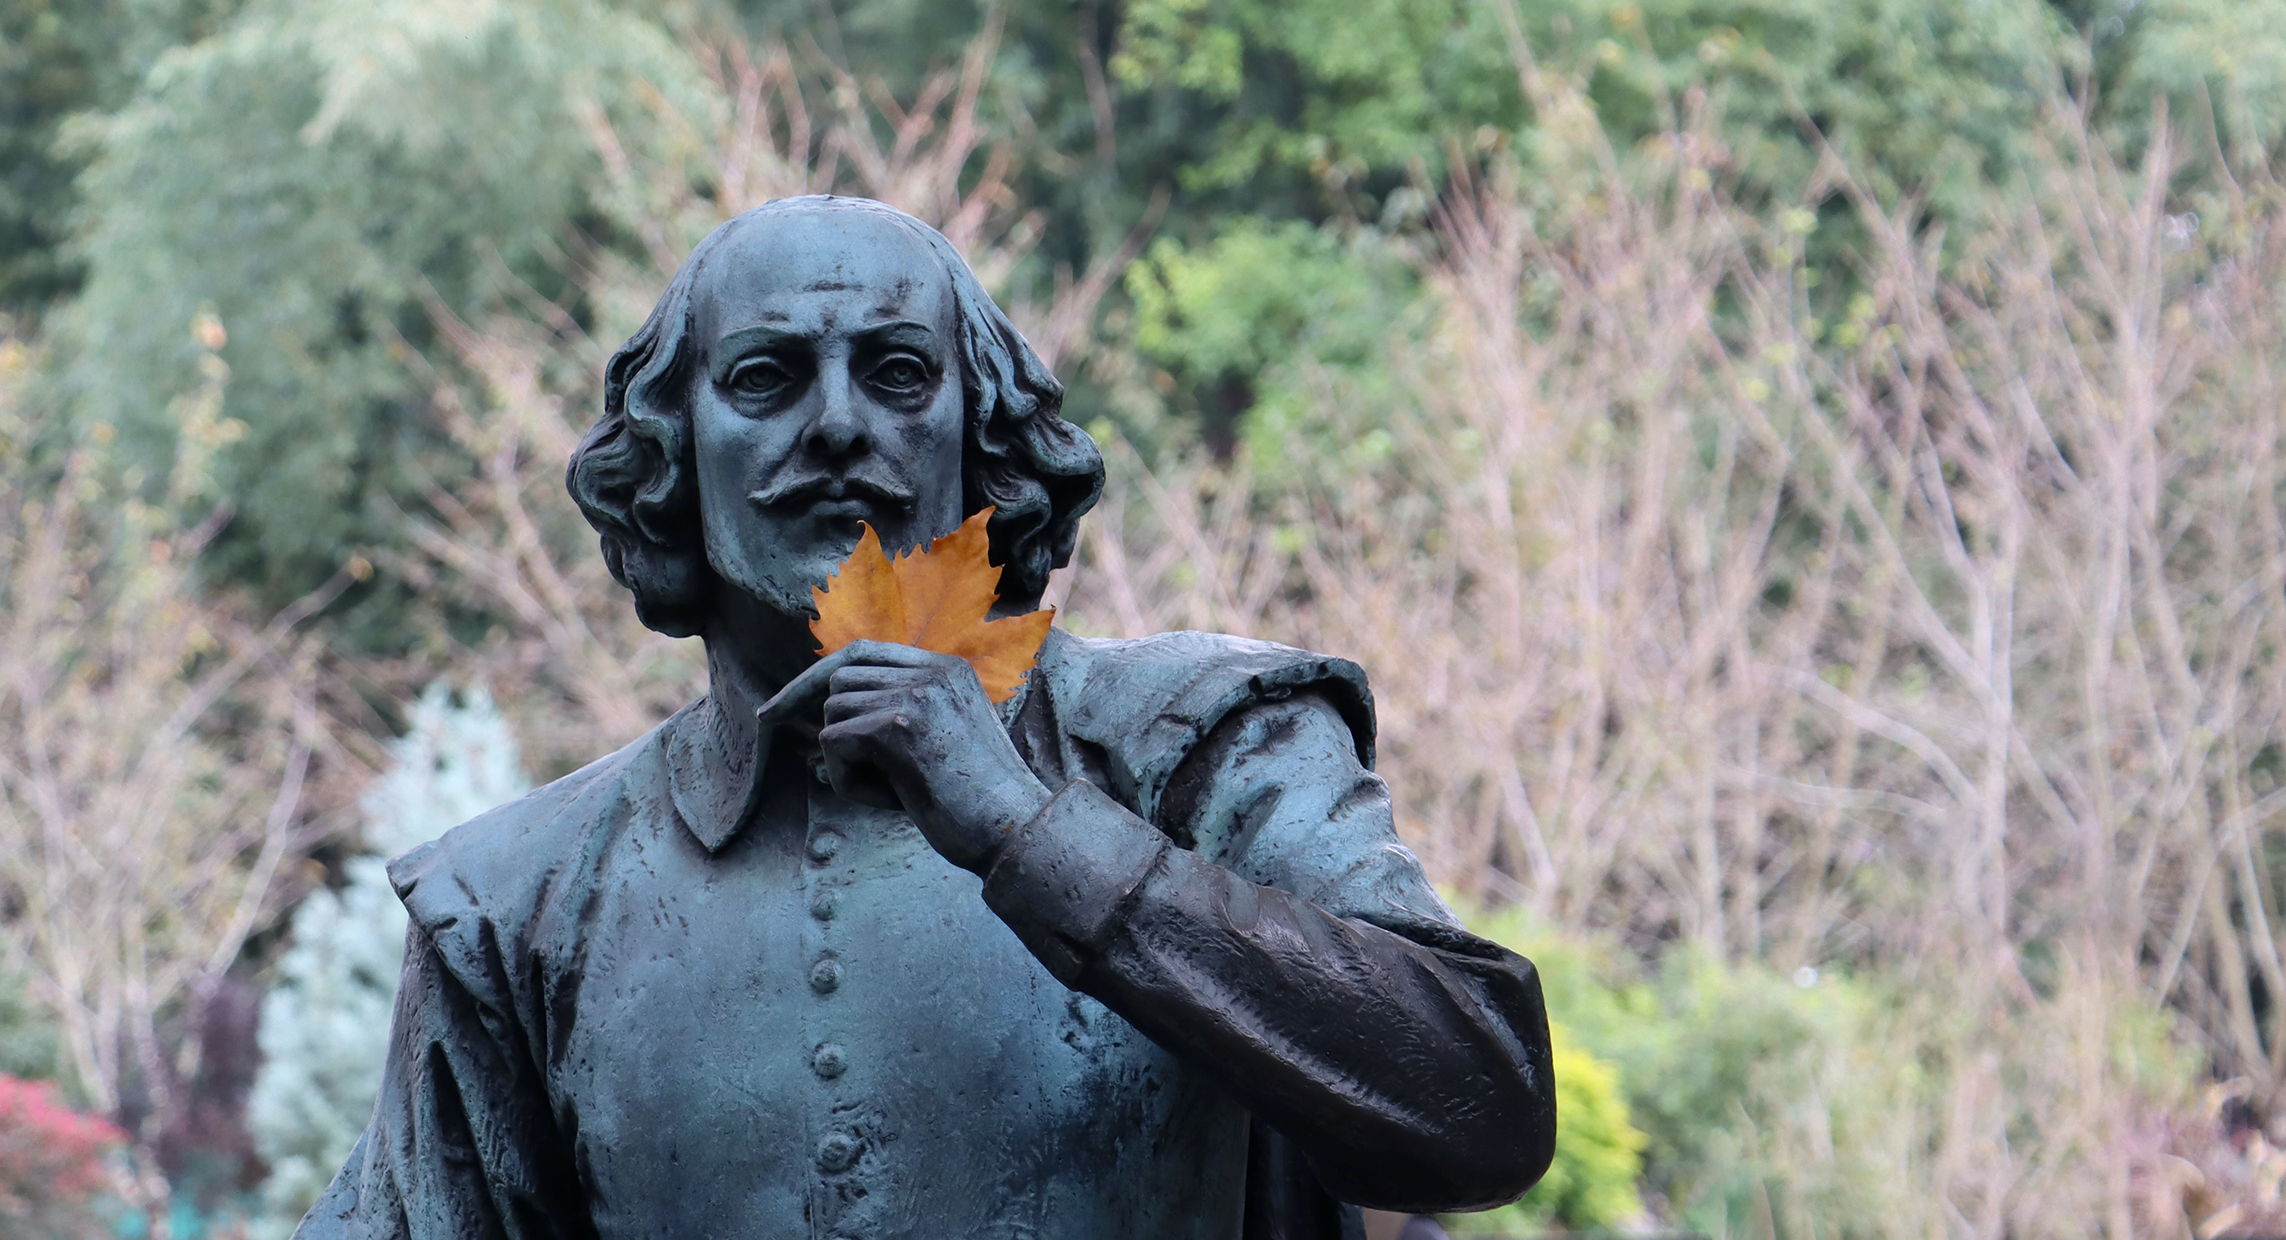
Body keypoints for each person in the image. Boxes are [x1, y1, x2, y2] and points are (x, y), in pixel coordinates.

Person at [294, 195, 1555, 1240]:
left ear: (978, 437)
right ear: (673, 454)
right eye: (766, 377)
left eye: (898, 373)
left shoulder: (1199, 743)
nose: (837, 423)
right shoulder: (518, 903)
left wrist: (1025, 827)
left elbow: (1482, 1104)